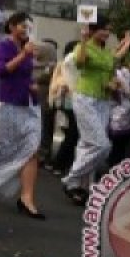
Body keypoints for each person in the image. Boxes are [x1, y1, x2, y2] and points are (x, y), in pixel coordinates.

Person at [0, 12, 46, 220]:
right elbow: (0, 71)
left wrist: (32, 84)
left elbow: (24, 74)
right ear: (12, 26)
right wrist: (23, 55)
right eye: (22, 26)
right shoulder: (4, 46)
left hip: (29, 104)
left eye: (29, 27)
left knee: (32, 149)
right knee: (0, 147)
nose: (26, 30)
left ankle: (27, 199)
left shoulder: (29, 49)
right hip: (8, 104)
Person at [61, 16, 130, 205]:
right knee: (102, 145)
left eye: (109, 30)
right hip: (85, 98)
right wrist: (83, 40)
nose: (107, 33)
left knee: (87, 144)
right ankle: (71, 179)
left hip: (103, 101)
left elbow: (113, 62)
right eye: (103, 29)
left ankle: (82, 187)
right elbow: (80, 62)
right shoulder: (83, 46)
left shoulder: (106, 52)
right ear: (93, 30)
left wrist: (128, 43)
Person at [46, 41, 80, 176]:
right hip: (68, 102)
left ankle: (63, 163)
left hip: (73, 101)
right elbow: (58, 82)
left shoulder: (73, 64)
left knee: (72, 135)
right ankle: (59, 164)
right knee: (72, 134)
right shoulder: (65, 64)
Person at [107, 52, 130, 166]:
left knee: (124, 144)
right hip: (119, 113)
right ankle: (113, 167)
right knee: (117, 145)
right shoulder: (119, 74)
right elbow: (119, 92)